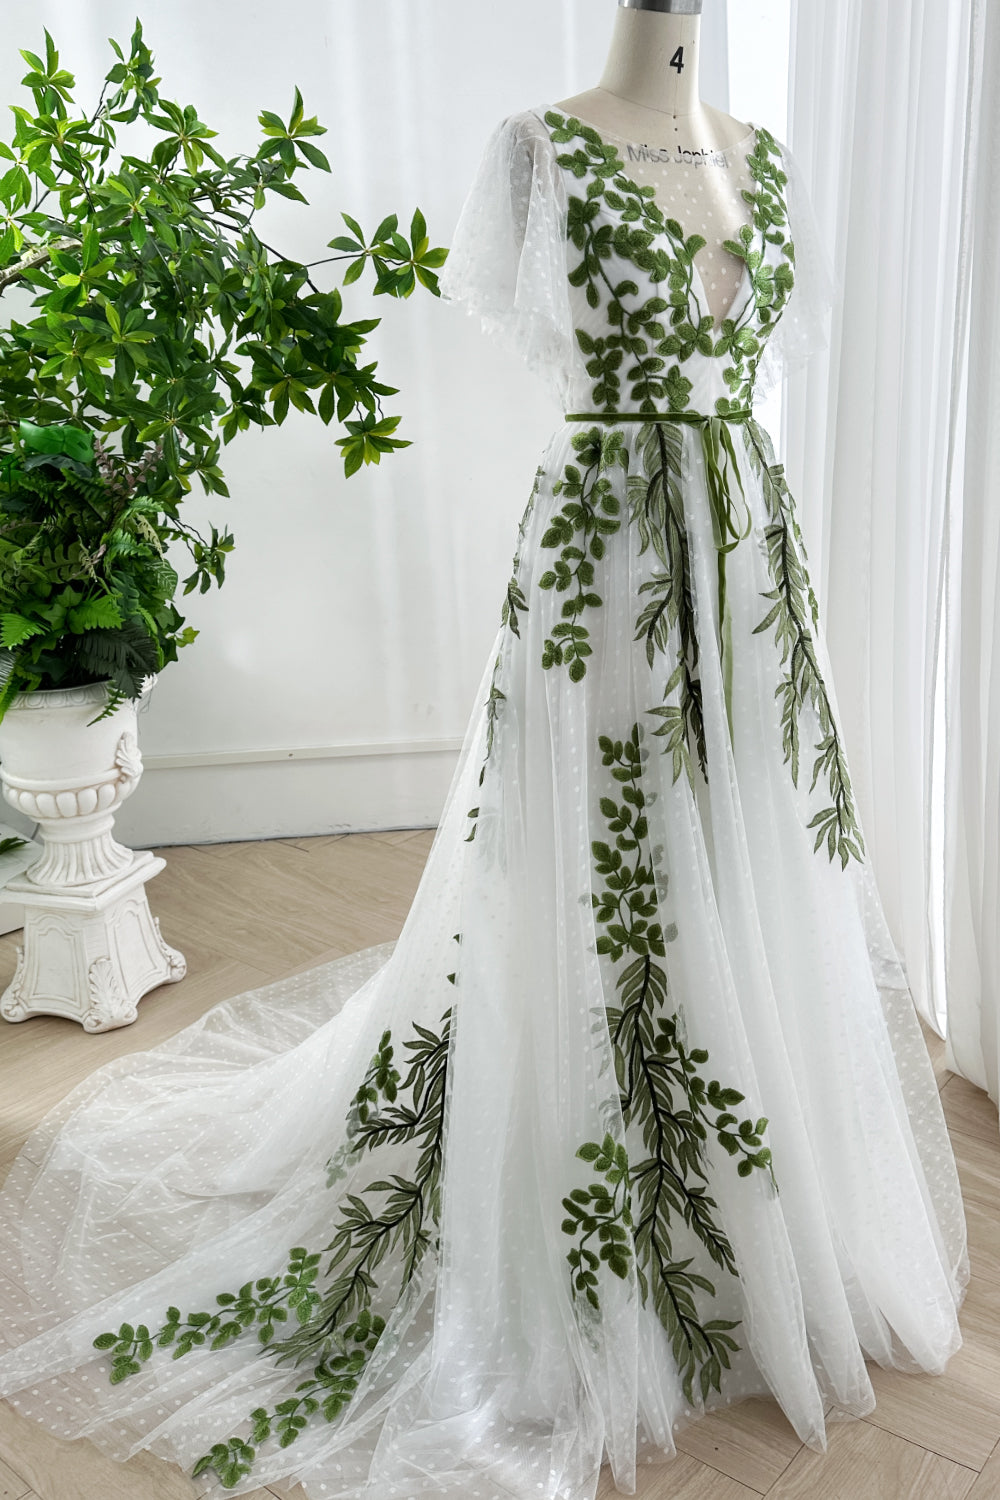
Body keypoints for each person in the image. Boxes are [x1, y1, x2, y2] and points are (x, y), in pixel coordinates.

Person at [0, 4, 969, 1497]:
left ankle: (746, 1184)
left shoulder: (764, 160)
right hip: (603, 560)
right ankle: (580, 1174)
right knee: (599, 853)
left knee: (746, 845)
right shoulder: (536, 148)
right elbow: (544, 343)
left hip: (741, 556)